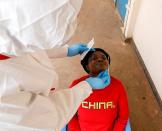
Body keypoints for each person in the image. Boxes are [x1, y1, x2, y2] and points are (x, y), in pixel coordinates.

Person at [0, 0, 110, 130]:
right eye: (72, 18)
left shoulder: (11, 33)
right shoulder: (5, 108)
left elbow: (25, 44)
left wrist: (65, 50)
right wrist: (86, 87)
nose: (77, 19)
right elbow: (49, 118)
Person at [68, 48, 130, 131]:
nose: (100, 59)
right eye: (94, 58)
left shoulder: (117, 86)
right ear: (87, 66)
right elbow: (70, 115)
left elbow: (123, 116)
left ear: (108, 64)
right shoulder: (76, 85)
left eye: (104, 58)